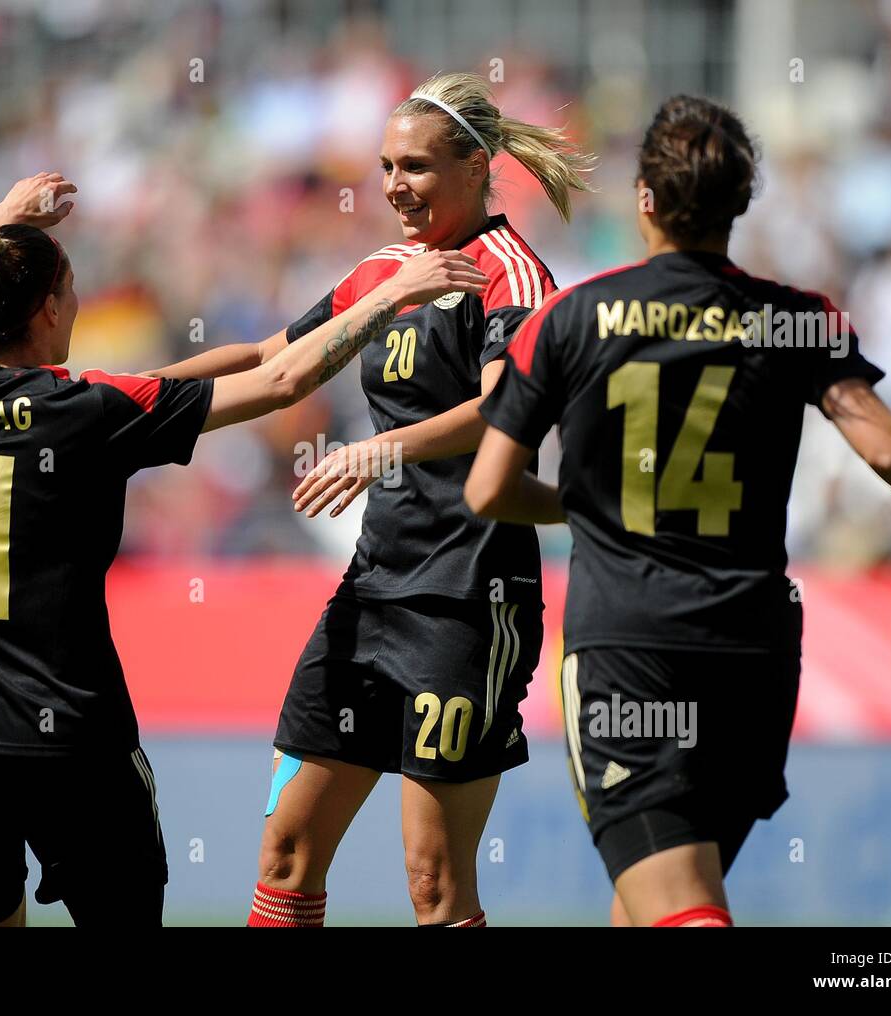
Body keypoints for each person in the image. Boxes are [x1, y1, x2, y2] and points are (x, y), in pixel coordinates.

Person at [0, 171, 486, 928]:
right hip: (67, 741)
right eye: (72, 290)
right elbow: (284, 381)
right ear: (48, 309)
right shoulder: (86, 409)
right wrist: (392, 296)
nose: (78, 303)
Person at [466, 95, 891, 928]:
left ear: (644, 199)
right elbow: (886, 446)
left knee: (678, 901)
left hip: (629, 647)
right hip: (753, 652)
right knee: (653, 902)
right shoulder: (794, 319)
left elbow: (488, 488)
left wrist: (585, 509)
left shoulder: (571, 318)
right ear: (741, 202)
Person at [150, 71, 590, 927]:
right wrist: (116, 397)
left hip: (468, 598)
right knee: (286, 852)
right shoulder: (383, 273)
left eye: (417, 166)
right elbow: (268, 360)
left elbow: (506, 409)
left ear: (477, 165)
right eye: (387, 166)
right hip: (370, 591)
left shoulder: (510, 274)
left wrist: (379, 447)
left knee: (432, 883)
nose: (395, 186)